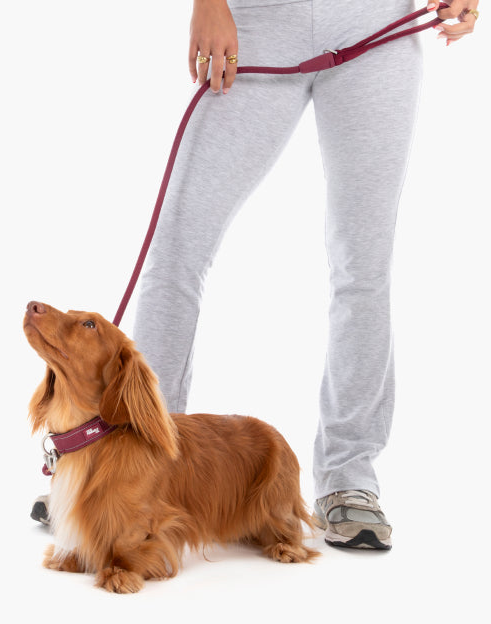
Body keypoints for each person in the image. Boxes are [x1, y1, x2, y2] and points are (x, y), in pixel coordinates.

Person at [31, 0, 479, 550]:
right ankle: (126, 471)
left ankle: (349, 477)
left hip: (376, 27)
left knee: (363, 266)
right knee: (176, 247)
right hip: (257, 22)